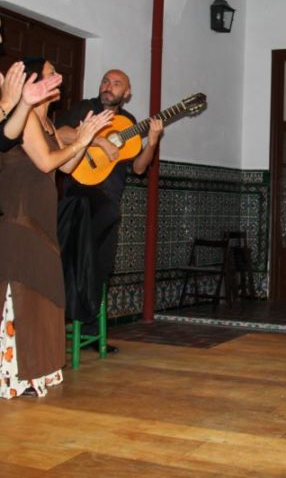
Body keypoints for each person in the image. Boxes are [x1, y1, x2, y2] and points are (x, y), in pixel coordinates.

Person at [0, 59, 112, 398]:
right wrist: (80, 142)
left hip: (41, 219)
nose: (57, 77)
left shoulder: (46, 123)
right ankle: (17, 375)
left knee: (44, 298)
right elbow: (46, 162)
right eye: (50, 73)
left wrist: (84, 137)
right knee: (23, 296)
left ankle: (38, 374)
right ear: (33, 80)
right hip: (20, 219)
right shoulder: (27, 120)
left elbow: (66, 167)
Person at [55, 69, 164, 352]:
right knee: (69, 261)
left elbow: (139, 168)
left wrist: (152, 142)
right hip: (77, 194)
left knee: (101, 266)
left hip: (108, 202)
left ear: (126, 94)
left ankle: (89, 329)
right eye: (106, 80)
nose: (109, 86)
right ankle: (56, 323)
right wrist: (97, 140)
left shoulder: (128, 124)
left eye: (116, 84)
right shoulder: (84, 108)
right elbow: (60, 133)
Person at [0, 61, 62, 151]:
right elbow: (46, 163)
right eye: (52, 73)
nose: (59, 77)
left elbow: (4, 142)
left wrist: (24, 104)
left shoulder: (48, 121)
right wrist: (7, 102)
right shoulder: (29, 117)